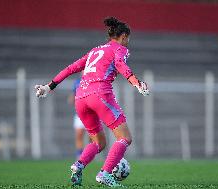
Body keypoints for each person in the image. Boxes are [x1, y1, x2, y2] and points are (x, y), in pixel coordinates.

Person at [35, 17, 149, 187]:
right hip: (100, 94)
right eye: (128, 39)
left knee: (98, 142)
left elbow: (71, 68)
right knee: (125, 138)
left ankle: (78, 166)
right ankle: (105, 174)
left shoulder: (95, 50)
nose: (128, 43)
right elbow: (119, 63)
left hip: (80, 97)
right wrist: (136, 82)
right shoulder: (120, 49)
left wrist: (49, 87)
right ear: (124, 36)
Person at [67, 76, 86, 159]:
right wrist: (72, 99)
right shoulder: (77, 82)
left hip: (92, 114)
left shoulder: (94, 80)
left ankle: (90, 154)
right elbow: (72, 96)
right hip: (80, 114)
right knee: (79, 135)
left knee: (92, 137)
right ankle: (79, 155)